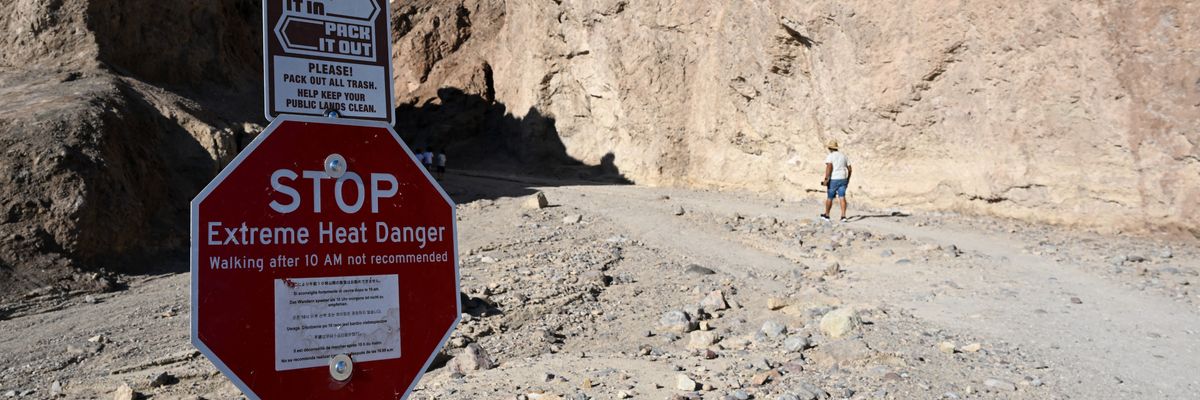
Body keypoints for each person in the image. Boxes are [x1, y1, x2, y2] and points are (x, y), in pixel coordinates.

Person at [820, 139, 852, 222]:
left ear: (830, 148)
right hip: (843, 178)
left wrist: (826, 179)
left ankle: (827, 215)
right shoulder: (844, 156)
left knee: (830, 197)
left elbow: (829, 167)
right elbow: (850, 168)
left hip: (834, 179)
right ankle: (843, 216)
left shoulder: (830, 156)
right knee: (842, 197)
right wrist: (848, 178)